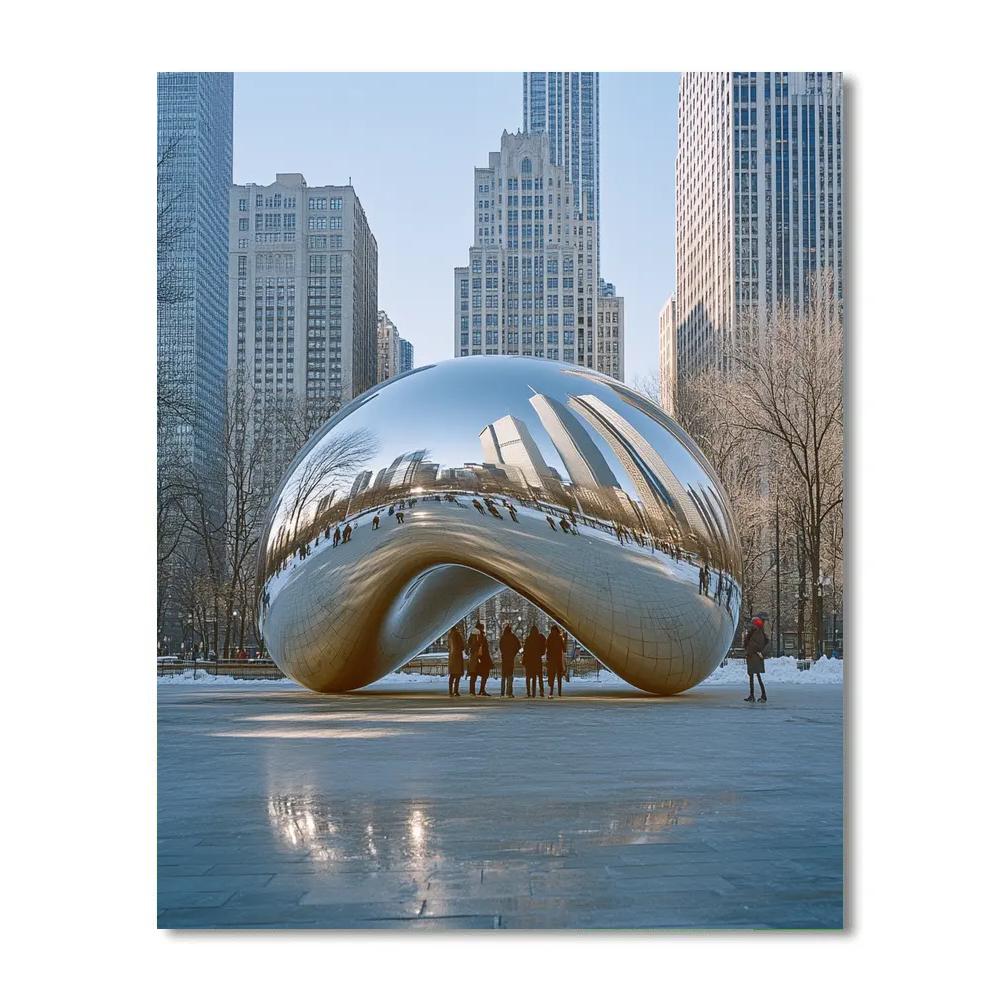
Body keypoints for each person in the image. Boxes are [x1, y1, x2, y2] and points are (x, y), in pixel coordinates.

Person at [743, 616, 769, 703]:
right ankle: (752, 695)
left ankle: (763, 695)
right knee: (752, 676)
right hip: (752, 657)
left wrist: (750, 650)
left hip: (755, 658)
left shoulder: (758, 633)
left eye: (753, 623)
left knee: (757, 676)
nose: (751, 625)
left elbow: (755, 645)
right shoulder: (754, 632)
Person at [522, 625, 546, 697]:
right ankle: (541, 692)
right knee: (539, 676)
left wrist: (522, 652)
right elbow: (543, 650)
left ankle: (530, 692)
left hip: (529, 661)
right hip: (537, 660)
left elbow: (525, 649)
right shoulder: (540, 638)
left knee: (529, 677)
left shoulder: (528, 639)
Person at [498, 624, 521, 698]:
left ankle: (502, 692)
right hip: (510, 658)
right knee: (510, 676)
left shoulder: (503, 637)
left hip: (504, 658)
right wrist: (514, 653)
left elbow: (500, 646)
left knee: (503, 676)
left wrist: (503, 653)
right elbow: (518, 646)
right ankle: (509, 692)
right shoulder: (513, 637)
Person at [473, 622, 493, 696]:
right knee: (485, 674)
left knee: (479, 674)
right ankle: (482, 690)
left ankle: (479, 690)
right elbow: (482, 647)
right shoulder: (480, 636)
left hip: (481, 658)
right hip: (483, 658)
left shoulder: (477, 635)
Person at [545, 624, 566, 698]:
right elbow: (564, 648)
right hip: (558, 659)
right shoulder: (560, 637)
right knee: (559, 677)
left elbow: (547, 647)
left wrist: (548, 657)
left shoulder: (550, 637)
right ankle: (559, 692)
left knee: (552, 676)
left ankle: (551, 691)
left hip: (552, 659)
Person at [447, 625, 465, 697]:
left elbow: (448, 646)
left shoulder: (450, 635)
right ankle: (456, 691)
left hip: (452, 657)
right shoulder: (457, 635)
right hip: (457, 657)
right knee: (457, 675)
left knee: (452, 676)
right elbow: (462, 646)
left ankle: (450, 691)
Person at [466, 626, 481, 695]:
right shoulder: (475, 641)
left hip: (472, 660)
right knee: (473, 676)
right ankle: (472, 691)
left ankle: (472, 691)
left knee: (473, 676)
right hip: (474, 660)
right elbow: (476, 649)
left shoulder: (471, 640)